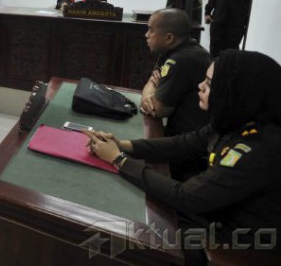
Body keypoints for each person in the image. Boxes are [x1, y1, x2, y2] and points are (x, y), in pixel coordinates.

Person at [85, 50, 281, 261]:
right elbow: (183, 144)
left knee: (133, 236)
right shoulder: (235, 121)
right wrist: (123, 145)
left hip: (238, 241)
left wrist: (119, 160)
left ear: (237, 91)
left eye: (209, 83)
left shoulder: (259, 147)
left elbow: (187, 197)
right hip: (214, 212)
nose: (200, 86)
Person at [141, 9, 212, 137]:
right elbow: (153, 78)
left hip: (188, 139)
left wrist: (148, 92)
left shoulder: (180, 60)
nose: (146, 35)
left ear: (169, 38)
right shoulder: (175, 49)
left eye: (151, 30)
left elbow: (157, 109)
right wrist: (152, 85)